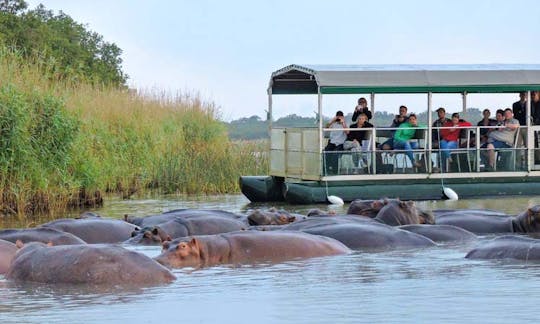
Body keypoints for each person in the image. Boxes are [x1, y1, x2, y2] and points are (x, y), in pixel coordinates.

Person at [324, 110, 348, 175]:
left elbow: (347, 132)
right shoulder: (333, 124)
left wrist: (343, 123)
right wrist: (332, 120)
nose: (339, 118)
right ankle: (326, 170)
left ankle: (335, 172)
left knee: (335, 154)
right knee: (326, 152)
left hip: (340, 143)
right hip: (332, 142)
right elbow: (326, 127)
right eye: (338, 116)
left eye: (340, 116)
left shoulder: (345, 123)